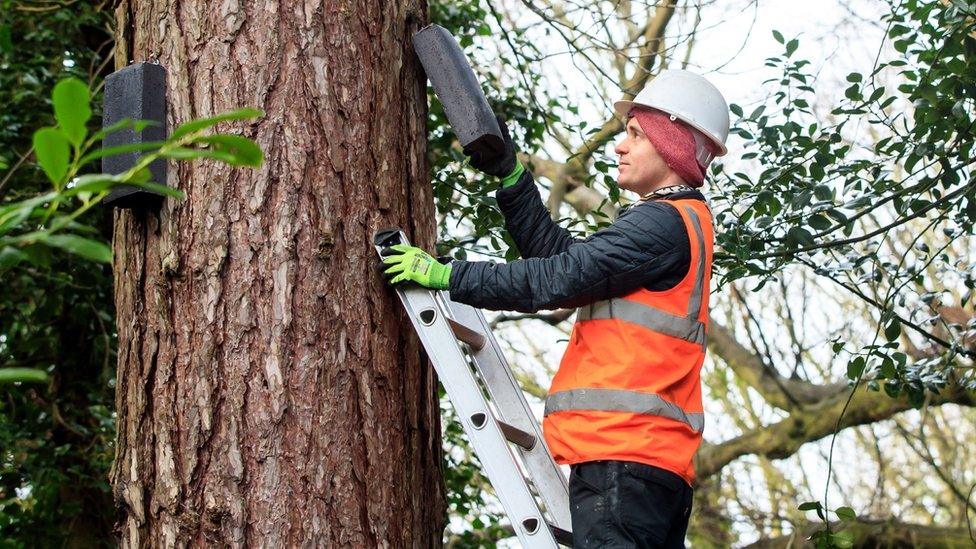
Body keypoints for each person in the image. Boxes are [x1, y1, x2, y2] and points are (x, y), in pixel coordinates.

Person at [381, 69, 730, 548]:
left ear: (673, 145)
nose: (620, 147)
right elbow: (563, 263)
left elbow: (558, 279)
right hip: (638, 463)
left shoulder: (664, 224)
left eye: (635, 135)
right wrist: (512, 176)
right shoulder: (675, 223)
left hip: (625, 461)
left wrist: (447, 276)